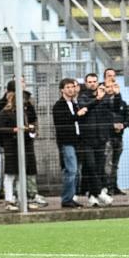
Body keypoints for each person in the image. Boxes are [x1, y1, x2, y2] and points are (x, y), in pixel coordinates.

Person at [51, 78, 85, 208]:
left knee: (74, 171)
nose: (71, 89)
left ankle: (70, 197)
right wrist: (77, 115)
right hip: (67, 142)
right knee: (71, 170)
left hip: (76, 141)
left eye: (72, 87)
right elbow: (63, 123)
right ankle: (66, 199)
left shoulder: (74, 103)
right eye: (68, 87)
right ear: (62, 90)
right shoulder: (59, 106)